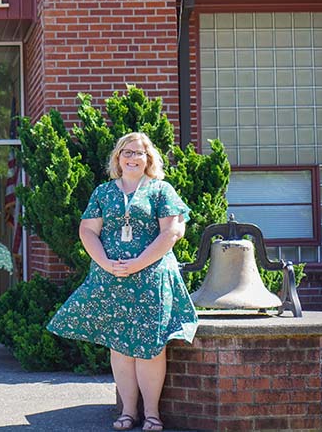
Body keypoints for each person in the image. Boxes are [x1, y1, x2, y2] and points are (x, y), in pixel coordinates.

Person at [47, 132, 198, 432]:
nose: (132, 157)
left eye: (139, 153)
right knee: (120, 347)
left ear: (148, 159)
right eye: (126, 152)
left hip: (151, 279)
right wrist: (106, 264)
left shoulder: (161, 190)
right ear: (117, 158)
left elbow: (171, 232)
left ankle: (152, 415)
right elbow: (87, 231)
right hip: (111, 278)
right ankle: (128, 413)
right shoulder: (103, 193)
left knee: (151, 347)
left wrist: (137, 264)